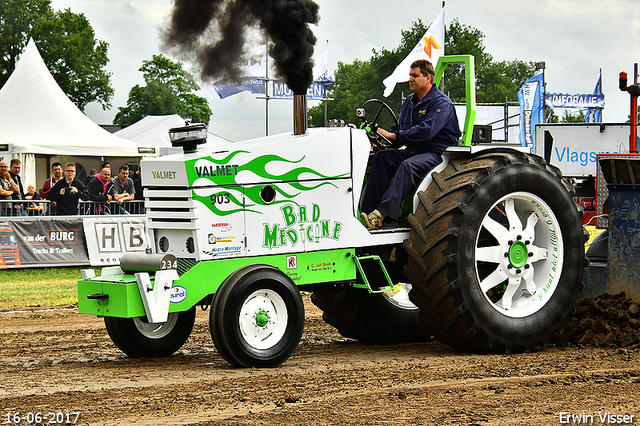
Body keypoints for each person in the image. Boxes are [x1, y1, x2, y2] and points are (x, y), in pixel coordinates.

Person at [360, 59, 461, 230]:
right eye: (410, 75)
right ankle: (366, 213)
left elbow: (425, 132)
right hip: (414, 151)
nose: (410, 79)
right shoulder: (409, 102)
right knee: (382, 157)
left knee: (408, 166)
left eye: (415, 75)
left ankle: (381, 214)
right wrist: (384, 142)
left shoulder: (441, 103)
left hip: (437, 155)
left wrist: (393, 136)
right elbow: (399, 130)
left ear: (428, 78)